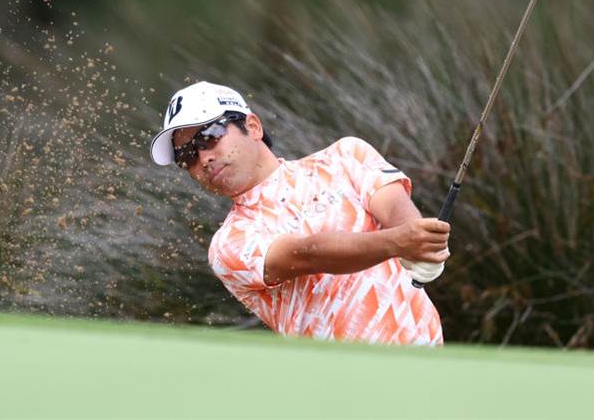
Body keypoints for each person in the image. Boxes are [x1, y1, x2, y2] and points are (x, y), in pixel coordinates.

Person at [150, 80, 450, 345]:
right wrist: (399, 242)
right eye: (187, 156)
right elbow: (307, 253)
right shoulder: (229, 243)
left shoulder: (346, 156)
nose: (203, 158)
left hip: (426, 365)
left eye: (208, 137)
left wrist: (421, 244)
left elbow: (395, 208)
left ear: (252, 126)